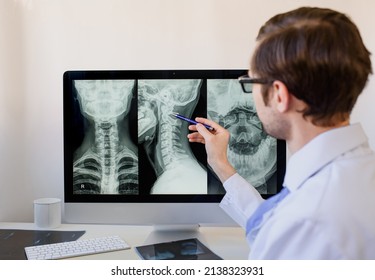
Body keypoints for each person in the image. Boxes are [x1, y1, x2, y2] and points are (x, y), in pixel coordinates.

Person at [187, 7, 375, 259]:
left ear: (279, 94)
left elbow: (284, 231)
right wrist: (220, 164)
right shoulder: (357, 175)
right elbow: (271, 225)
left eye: (250, 82)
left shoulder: (304, 222)